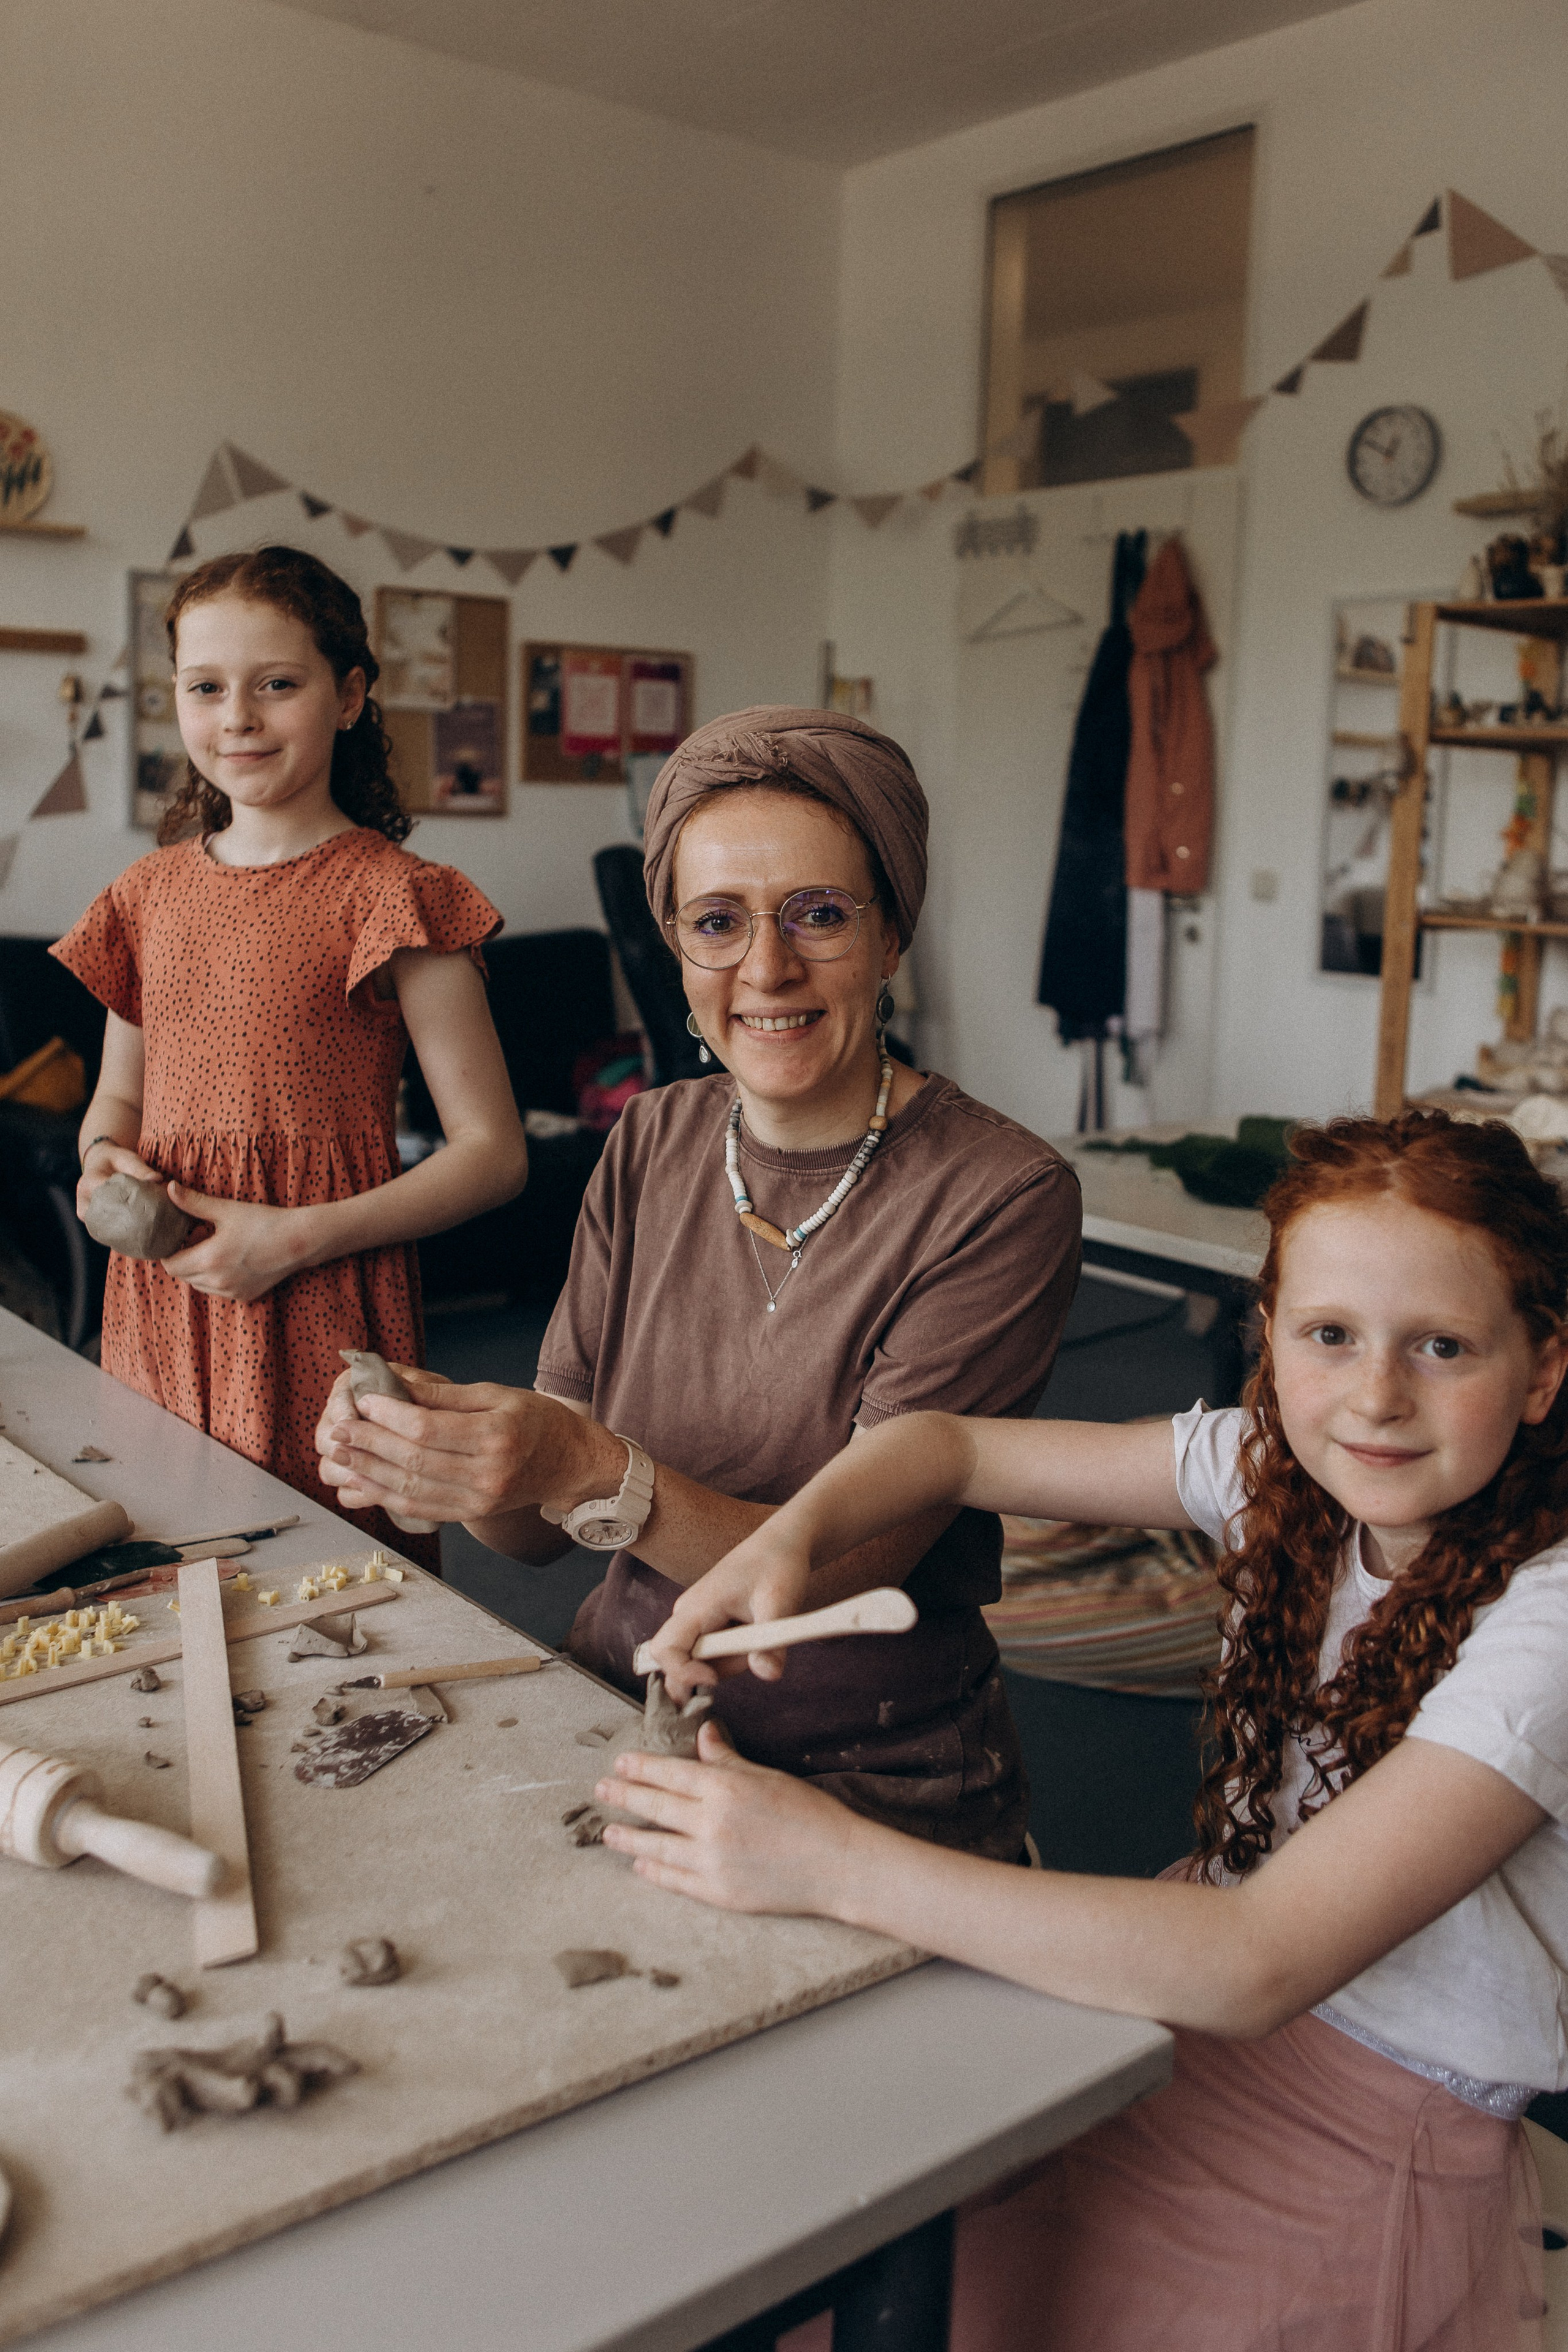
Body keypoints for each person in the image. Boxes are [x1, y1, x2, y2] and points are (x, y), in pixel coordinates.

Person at [599, 1110, 1568, 2349]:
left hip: (1379, 2120)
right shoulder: (1272, 1464)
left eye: (1440, 1346)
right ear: (1267, 1341)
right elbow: (937, 1444)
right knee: (848, 2250)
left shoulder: (1544, 1621)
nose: (1375, 1397)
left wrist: (824, 1861)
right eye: (1330, 1336)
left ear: (1541, 1369)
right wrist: (785, 1539)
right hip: (1172, 2029)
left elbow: (1252, 1959)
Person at [317, 706, 1080, 1855]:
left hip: (869, 1781)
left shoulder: (1001, 1193)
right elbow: (536, 1538)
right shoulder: (652, 1139)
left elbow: (841, 1569)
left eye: (819, 914)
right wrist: (463, 1449)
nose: (767, 968)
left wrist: (582, 1460)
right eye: (717, 922)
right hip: (621, 1719)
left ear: (891, 935)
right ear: (674, 944)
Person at [54, 548, 527, 1560]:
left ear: (349, 694)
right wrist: (102, 1166)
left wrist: (294, 1238)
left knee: (332, 1585)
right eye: (206, 687)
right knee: (160, 1562)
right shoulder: (143, 897)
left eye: (278, 684)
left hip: (322, 1300)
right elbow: (115, 1103)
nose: (239, 717)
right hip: (164, 1301)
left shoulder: (397, 895)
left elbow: (494, 1153)